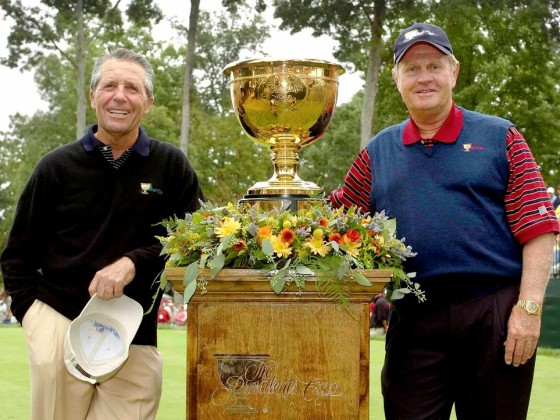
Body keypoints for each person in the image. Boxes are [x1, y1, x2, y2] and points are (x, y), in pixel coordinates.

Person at [329, 22, 559, 419]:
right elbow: (338, 220)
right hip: (413, 320)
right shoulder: (378, 151)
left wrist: (529, 310)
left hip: (494, 318)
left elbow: (538, 230)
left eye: (434, 65)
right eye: (412, 69)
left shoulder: (501, 136)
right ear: (397, 79)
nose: (424, 78)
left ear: (453, 71)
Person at [0, 48, 204, 420]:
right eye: (110, 85)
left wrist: (133, 263)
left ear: (149, 101)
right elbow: (17, 255)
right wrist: (34, 318)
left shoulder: (171, 165)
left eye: (133, 87)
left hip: (135, 330)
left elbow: (195, 241)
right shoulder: (56, 166)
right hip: (59, 320)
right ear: (93, 96)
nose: (120, 95)